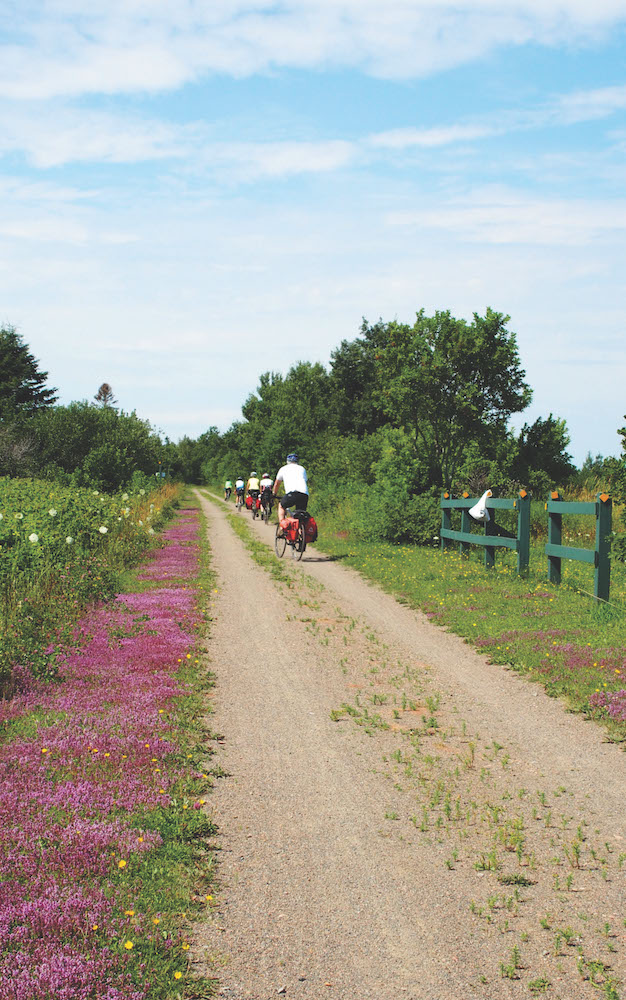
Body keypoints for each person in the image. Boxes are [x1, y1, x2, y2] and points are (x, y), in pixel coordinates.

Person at [273, 453, 308, 525]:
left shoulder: (283, 469)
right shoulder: (302, 468)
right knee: (300, 515)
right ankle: (301, 532)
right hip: (304, 494)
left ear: (287, 461)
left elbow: (277, 483)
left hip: (292, 493)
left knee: (281, 506)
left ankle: (282, 526)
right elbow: (305, 480)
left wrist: (274, 493)